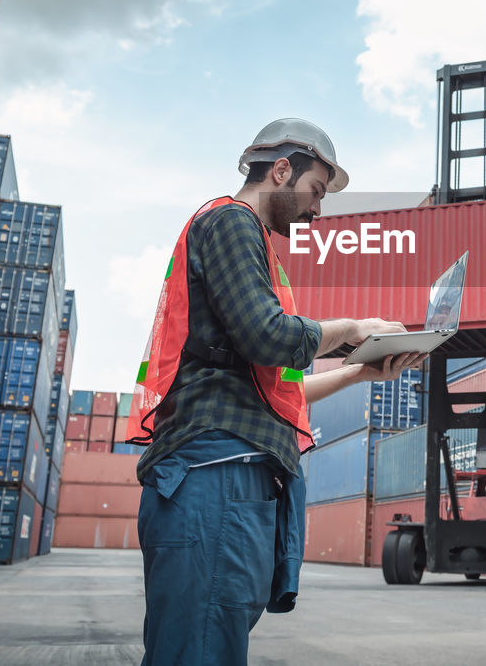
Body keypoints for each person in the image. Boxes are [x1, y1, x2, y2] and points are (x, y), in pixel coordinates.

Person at [129, 118, 424, 665]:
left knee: (207, 644)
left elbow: (277, 389)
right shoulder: (232, 222)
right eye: (315, 191)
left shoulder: (249, 244)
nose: (317, 211)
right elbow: (268, 337)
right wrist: (354, 329)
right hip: (215, 474)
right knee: (200, 653)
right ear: (282, 170)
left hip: (222, 475)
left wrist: (362, 373)